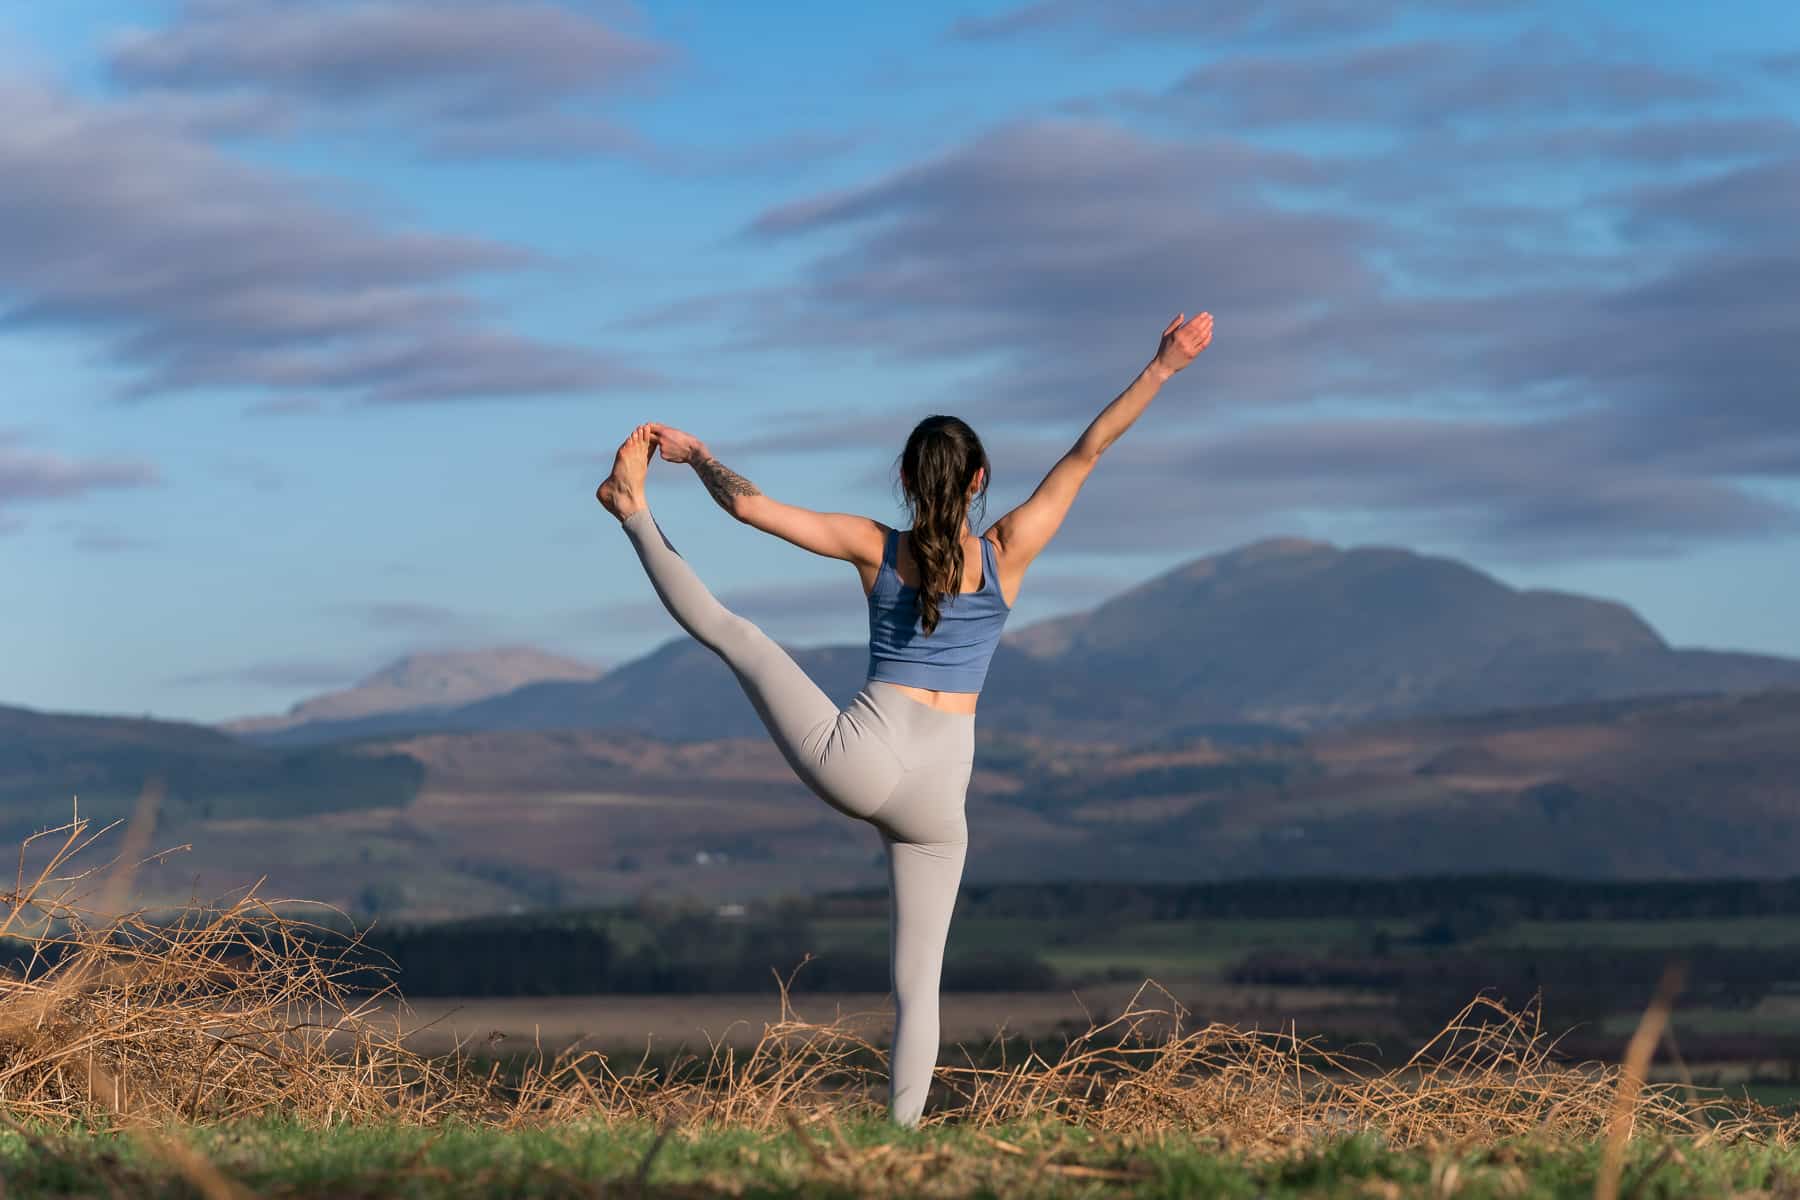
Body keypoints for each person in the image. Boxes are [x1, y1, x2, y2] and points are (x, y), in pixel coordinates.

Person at [594, 310, 1214, 1125]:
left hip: (861, 756)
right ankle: (902, 1143)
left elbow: (749, 510)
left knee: (737, 635)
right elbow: (1089, 450)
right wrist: (1163, 367)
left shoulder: (874, 544)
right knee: (917, 987)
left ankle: (629, 509)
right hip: (940, 804)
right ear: (981, 477)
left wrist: (697, 456)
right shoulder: (1010, 549)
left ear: (907, 481)